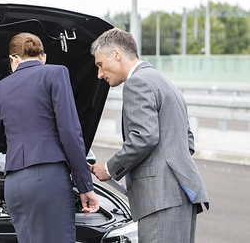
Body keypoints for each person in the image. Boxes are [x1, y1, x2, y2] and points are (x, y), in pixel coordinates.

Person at [0, 32, 98, 243]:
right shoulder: (56, 73)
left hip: (14, 186)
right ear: (43, 57)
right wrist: (85, 185)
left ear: (13, 60)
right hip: (48, 179)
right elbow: (70, 133)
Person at [89, 28, 209, 242]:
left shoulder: (137, 82)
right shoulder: (164, 82)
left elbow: (144, 137)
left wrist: (109, 168)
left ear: (117, 54)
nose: (99, 74)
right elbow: (187, 142)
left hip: (160, 199)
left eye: (100, 64)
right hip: (180, 196)